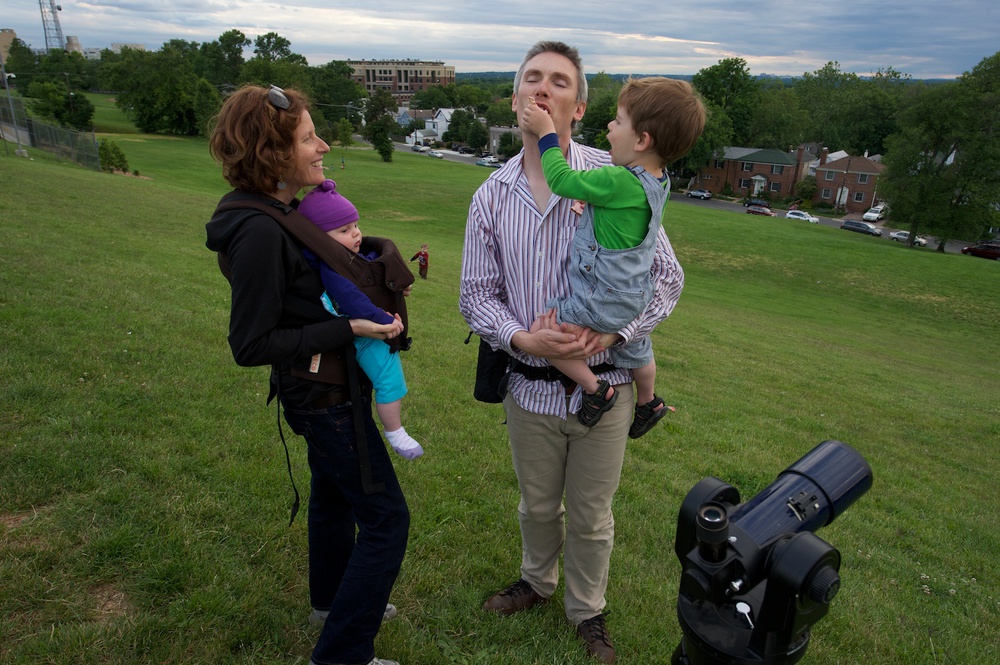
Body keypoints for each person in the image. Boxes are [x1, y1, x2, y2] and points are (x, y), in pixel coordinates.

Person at [459, 42, 685, 664]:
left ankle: (587, 610)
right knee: (537, 504)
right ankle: (536, 582)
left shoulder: (616, 178)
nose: (542, 88)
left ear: (578, 107)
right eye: (531, 78)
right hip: (529, 387)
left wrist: (615, 334)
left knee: (591, 515)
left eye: (559, 81)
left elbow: (667, 278)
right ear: (515, 100)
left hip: (606, 384)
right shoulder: (491, 196)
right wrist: (523, 339)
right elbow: (475, 296)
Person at [206, 84, 408, 665]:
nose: (323, 146)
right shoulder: (260, 230)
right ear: (273, 152)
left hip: (328, 390)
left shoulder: (278, 213)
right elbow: (250, 344)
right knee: (387, 520)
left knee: (333, 497)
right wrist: (350, 329)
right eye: (308, 138)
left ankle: (329, 601)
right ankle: (342, 655)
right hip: (322, 400)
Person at [519, 77, 705, 437]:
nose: (609, 126)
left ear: (642, 141)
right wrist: (593, 210)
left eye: (618, 121)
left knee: (544, 335)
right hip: (634, 295)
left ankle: (596, 389)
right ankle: (649, 400)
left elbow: (560, 179)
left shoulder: (617, 180)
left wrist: (546, 134)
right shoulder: (659, 181)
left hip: (600, 299)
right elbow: (623, 224)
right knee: (637, 349)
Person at [297, 178, 423, 460]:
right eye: (344, 230)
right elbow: (353, 301)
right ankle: (395, 431)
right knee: (390, 379)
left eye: (355, 225)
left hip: (360, 330)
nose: (355, 234)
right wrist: (384, 321)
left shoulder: (344, 258)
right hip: (364, 335)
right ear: (319, 238)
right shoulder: (331, 269)